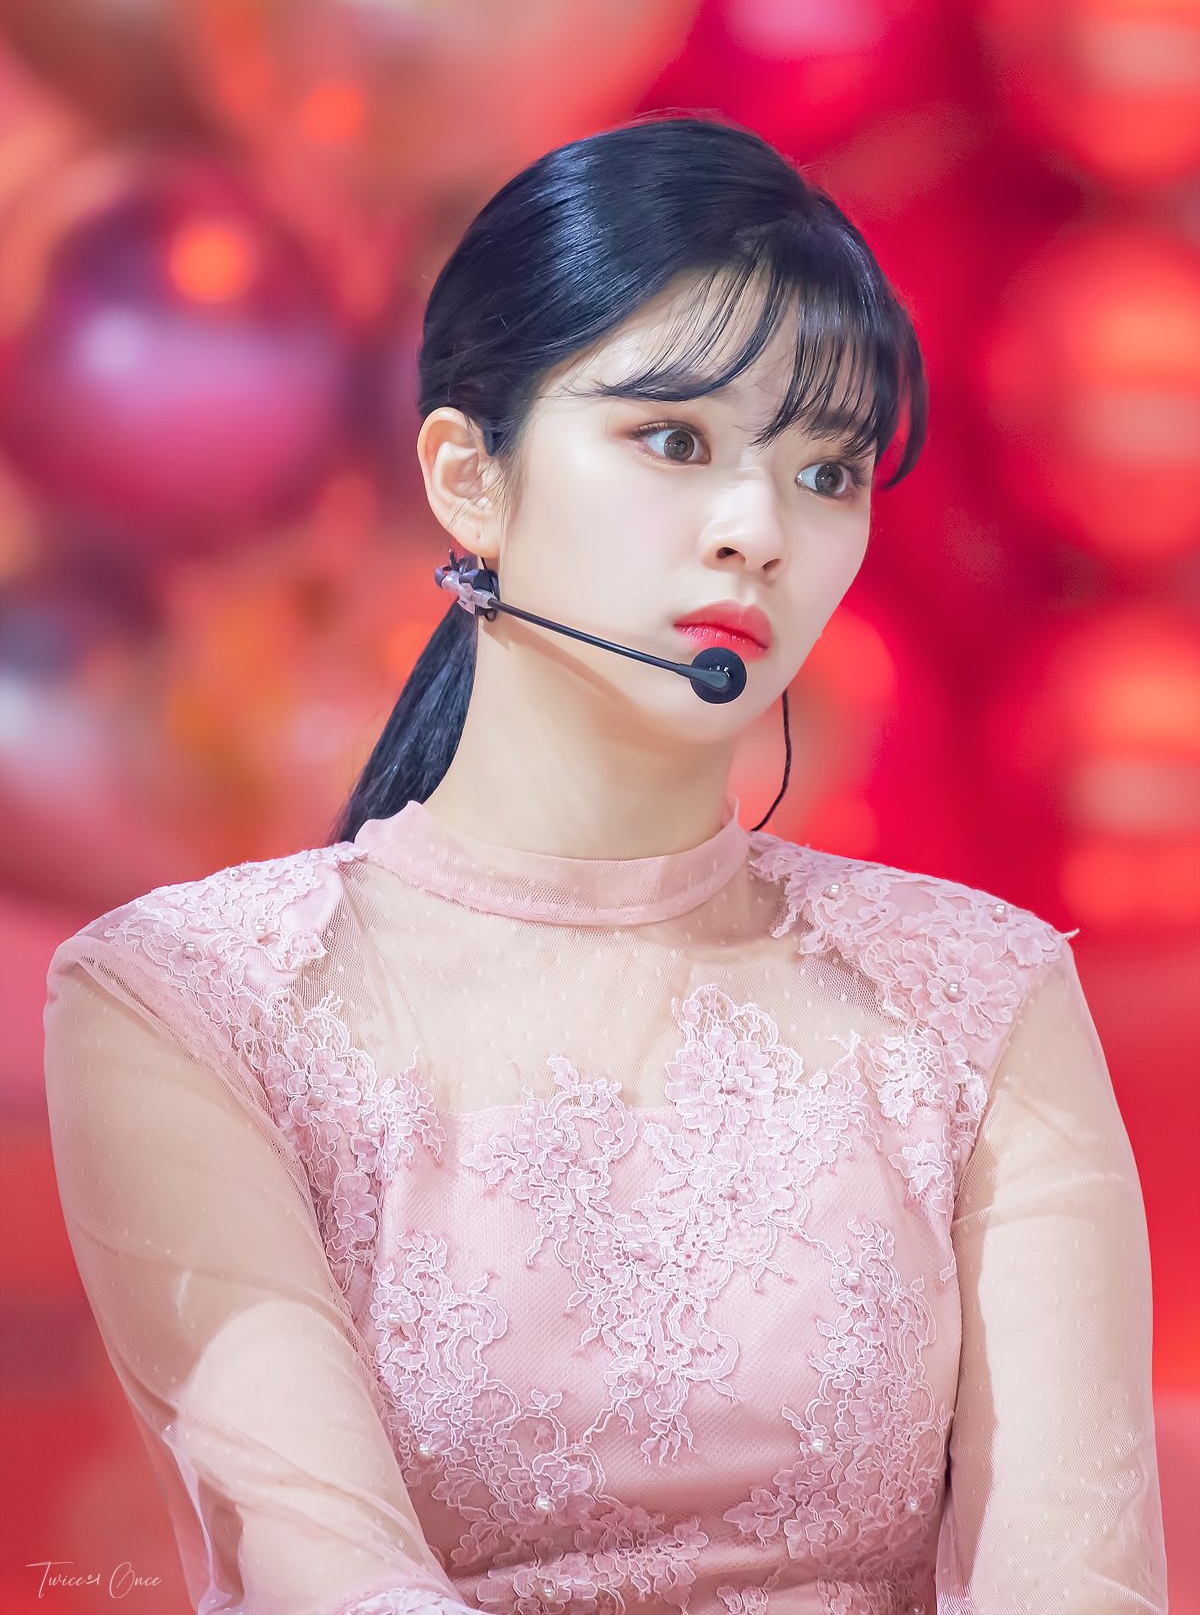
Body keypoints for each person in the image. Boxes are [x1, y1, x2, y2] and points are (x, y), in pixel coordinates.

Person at [42, 114, 1168, 1615]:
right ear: (469, 478)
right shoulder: (189, 1001)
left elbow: (1080, 1584)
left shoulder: (979, 995)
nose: (757, 531)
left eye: (827, 471)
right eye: (675, 441)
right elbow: (331, 1579)